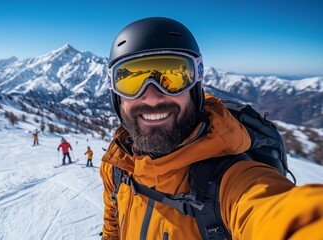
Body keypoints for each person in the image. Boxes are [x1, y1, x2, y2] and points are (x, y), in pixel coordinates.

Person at [99, 17, 323, 239]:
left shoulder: (231, 182)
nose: (152, 97)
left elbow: (276, 211)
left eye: (173, 77)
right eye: (130, 81)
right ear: (115, 94)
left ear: (196, 83)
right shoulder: (118, 166)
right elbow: (112, 222)